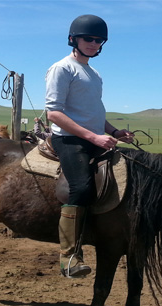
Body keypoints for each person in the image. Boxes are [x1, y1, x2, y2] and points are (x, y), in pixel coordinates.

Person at [45, 14, 133, 278]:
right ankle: (69, 256)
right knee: (81, 187)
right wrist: (94, 138)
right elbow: (54, 113)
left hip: (94, 137)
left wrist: (114, 131)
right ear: (74, 39)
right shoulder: (62, 68)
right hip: (69, 139)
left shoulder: (94, 74)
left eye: (99, 40)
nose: (94, 43)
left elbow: (94, 113)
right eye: (88, 39)